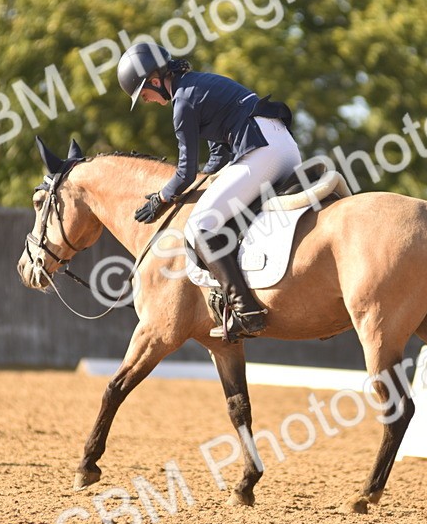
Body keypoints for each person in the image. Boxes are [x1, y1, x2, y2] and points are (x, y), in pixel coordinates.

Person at [116, 43, 302, 340]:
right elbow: (218, 156)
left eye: (144, 94)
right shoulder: (197, 85)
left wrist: (161, 198)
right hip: (285, 147)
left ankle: (245, 310)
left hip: (262, 150)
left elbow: (185, 172)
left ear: (154, 80)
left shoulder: (182, 103)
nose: (147, 100)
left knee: (201, 227)